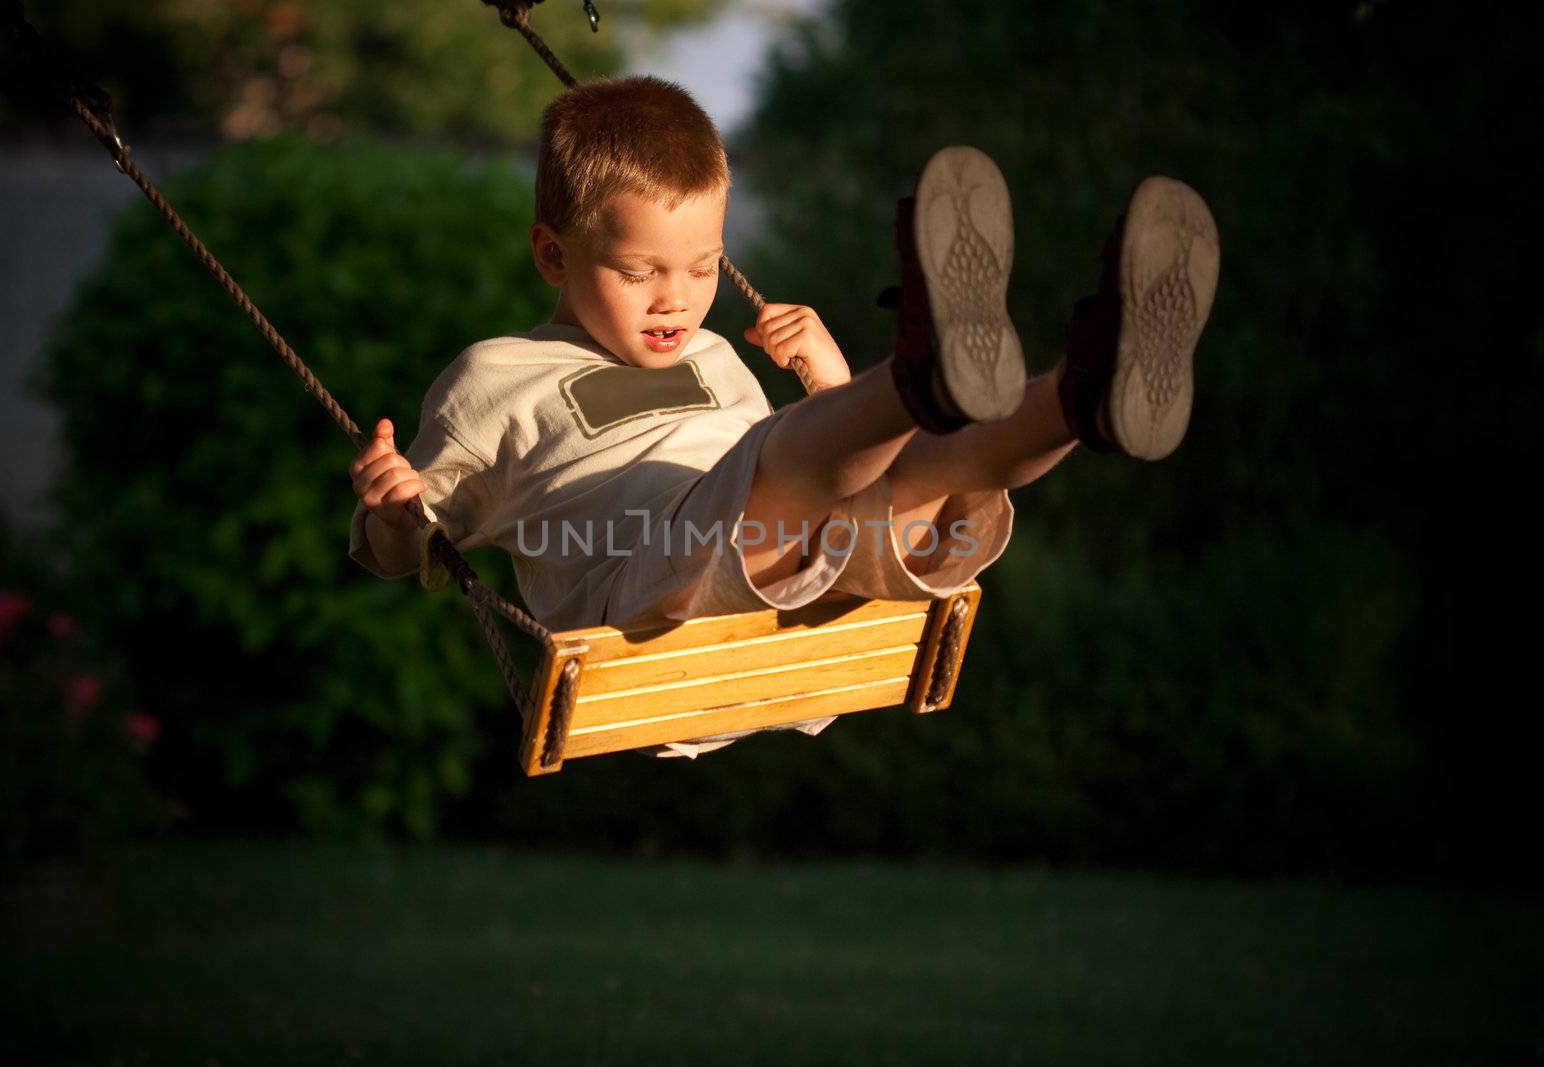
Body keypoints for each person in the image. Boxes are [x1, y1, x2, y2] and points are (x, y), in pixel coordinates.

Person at [347, 75, 1220, 756]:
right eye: (639, 270)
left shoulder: (717, 358)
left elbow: (813, 488)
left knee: (926, 474)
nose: (677, 299)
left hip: (789, 587)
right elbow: (409, 547)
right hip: (646, 600)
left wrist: (833, 379)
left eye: (701, 268)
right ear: (552, 253)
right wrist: (393, 514)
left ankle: (1082, 391)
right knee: (778, 464)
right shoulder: (499, 376)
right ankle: (921, 376)